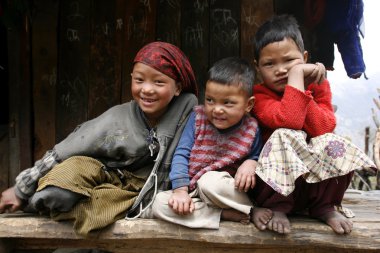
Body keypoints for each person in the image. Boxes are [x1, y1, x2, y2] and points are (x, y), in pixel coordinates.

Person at [0, 41, 198, 236]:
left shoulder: (187, 116)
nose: (147, 89)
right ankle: (33, 202)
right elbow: (62, 152)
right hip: (104, 175)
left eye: (158, 82)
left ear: (178, 88)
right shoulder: (116, 118)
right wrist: (20, 190)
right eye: (139, 80)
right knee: (55, 191)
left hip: (133, 194)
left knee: (99, 210)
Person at [250, 15, 377, 235]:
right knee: (283, 135)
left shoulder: (318, 86)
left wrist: (304, 90)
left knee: (332, 142)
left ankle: (324, 206)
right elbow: (289, 121)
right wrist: (297, 76)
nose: (280, 70)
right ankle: (278, 207)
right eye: (269, 64)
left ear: (304, 57)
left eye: (289, 61)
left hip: (310, 186)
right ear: (258, 68)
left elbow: (323, 127)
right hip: (273, 188)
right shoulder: (260, 95)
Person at [152, 57, 273, 230]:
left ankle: (250, 209)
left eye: (227, 103)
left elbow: (258, 158)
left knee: (209, 182)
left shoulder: (251, 128)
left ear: (248, 105)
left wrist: (251, 162)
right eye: (210, 100)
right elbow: (181, 154)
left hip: (225, 191)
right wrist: (180, 191)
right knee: (158, 203)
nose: (216, 109)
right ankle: (220, 215)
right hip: (193, 191)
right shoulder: (198, 118)